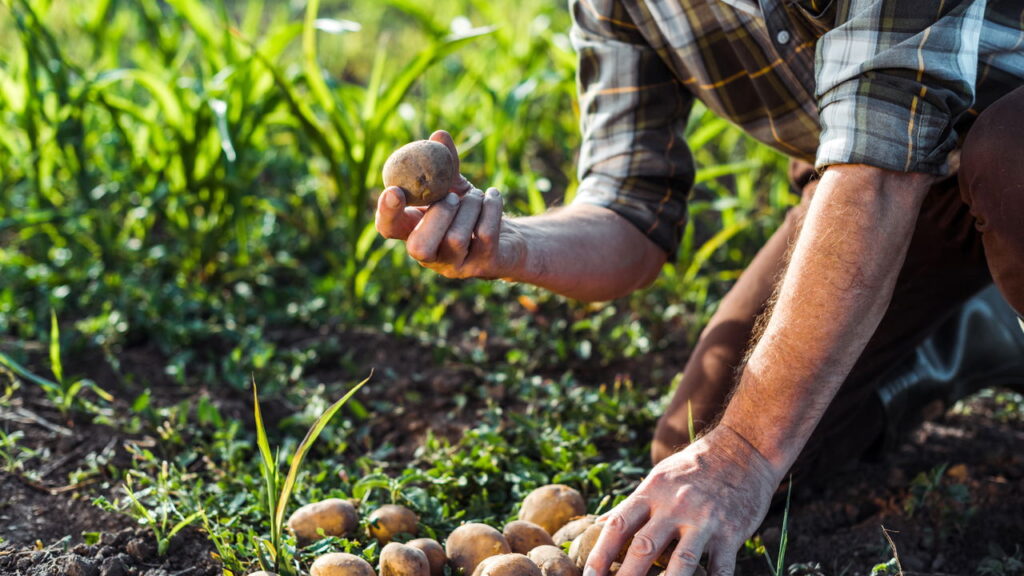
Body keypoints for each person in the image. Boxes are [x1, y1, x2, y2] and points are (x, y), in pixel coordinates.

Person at [376, 0, 1024, 573]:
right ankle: (968, 332)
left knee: (1010, 162)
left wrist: (742, 457)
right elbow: (630, 208)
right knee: (696, 442)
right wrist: (510, 243)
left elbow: (879, 168)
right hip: (893, 182)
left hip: (962, 149)